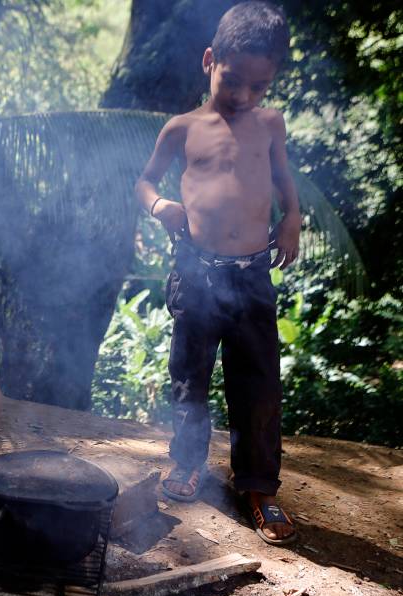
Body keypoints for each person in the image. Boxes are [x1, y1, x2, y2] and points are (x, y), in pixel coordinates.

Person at [134, 1, 300, 545]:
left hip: (252, 275)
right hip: (197, 273)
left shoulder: (270, 124)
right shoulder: (182, 129)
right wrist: (160, 207)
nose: (246, 96)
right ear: (210, 60)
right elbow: (146, 182)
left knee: (257, 384)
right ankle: (187, 464)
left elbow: (283, 183)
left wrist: (293, 216)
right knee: (190, 378)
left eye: (261, 86)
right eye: (234, 80)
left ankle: (258, 485)